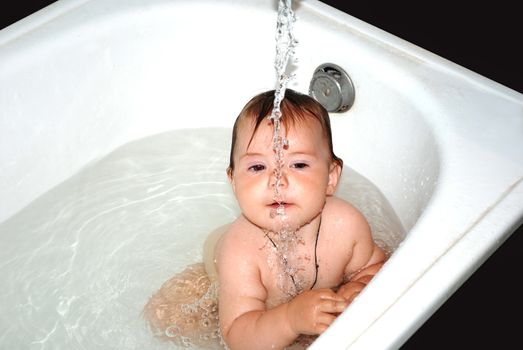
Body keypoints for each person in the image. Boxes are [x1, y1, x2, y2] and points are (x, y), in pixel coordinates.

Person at [143, 89, 385, 349]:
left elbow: (376, 266)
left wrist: (358, 286)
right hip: (217, 270)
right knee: (164, 315)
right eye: (257, 167)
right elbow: (237, 337)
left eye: (299, 165)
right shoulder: (240, 251)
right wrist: (290, 320)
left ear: (331, 177)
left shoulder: (346, 225)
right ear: (234, 181)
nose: (277, 180)